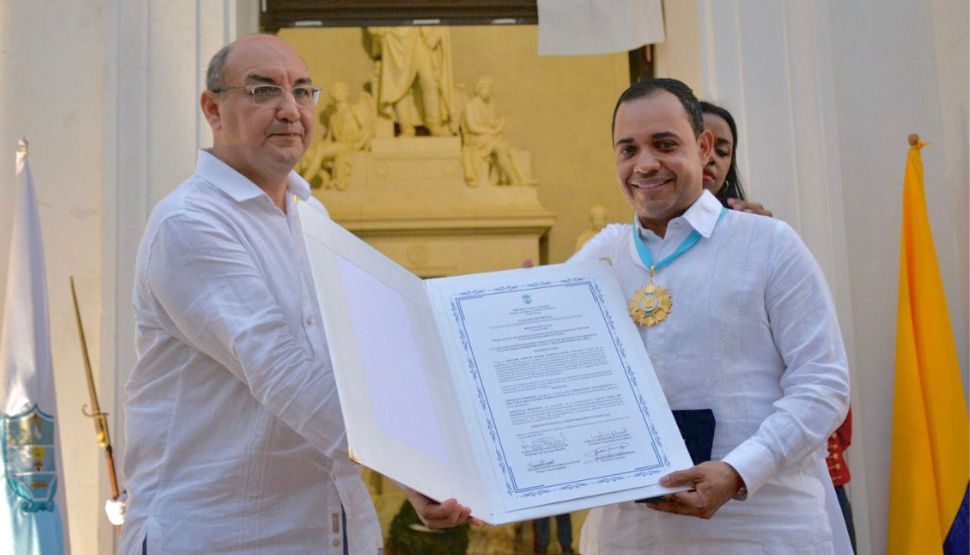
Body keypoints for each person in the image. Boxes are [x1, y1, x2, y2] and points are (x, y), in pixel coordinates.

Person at [120, 34, 471, 554]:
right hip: (222, 535)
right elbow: (280, 369)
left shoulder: (312, 216)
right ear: (213, 108)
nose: (290, 110)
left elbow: (355, 368)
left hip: (332, 528)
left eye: (303, 92)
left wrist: (418, 466)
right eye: (264, 91)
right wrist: (420, 467)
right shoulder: (189, 222)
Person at [571, 78, 850, 553]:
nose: (645, 164)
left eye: (664, 144)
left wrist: (740, 470)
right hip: (632, 536)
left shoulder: (769, 244)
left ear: (703, 148)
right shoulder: (597, 260)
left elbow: (824, 385)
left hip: (760, 528)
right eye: (628, 149)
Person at [699, 100, 772, 216]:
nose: (711, 157)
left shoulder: (745, 220)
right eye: (702, 146)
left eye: (721, 151)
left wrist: (760, 229)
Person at [461, 76, 536, 187]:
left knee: (509, 149)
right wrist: (490, 132)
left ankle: (522, 178)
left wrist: (498, 123)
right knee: (500, 147)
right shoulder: (470, 106)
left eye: (489, 89)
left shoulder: (489, 105)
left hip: (487, 138)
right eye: (485, 88)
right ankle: (513, 178)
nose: (487, 91)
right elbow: (472, 127)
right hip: (475, 140)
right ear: (479, 89)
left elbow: (489, 122)